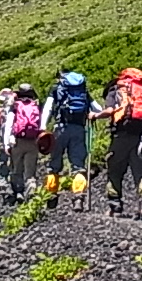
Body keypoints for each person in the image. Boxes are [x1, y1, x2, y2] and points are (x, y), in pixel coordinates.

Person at [99, 67, 142, 217]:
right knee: (141, 172)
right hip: (140, 136)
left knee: (115, 172)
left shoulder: (116, 90)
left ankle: (115, 206)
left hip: (120, 137)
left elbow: (110, 111)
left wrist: (94, 116)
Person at [42, 70, 97, 210]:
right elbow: (98, 108)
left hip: (60, 128)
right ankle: (78, 198)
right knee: (78, 166)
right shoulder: (81, 89)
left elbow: (48, 108)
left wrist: (42, 126)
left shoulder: (57, 88)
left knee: (54, 164)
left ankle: (51, 197)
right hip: (79, 129)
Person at [2, 83, 46, 204]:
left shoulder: (15, 106)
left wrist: (6, 144)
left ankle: (19, 192)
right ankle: (32, 191)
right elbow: (41, 124)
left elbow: (9, 125)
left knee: (17, 168)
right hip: (33, 141)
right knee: (30, 170)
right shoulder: (35, 106)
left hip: (17, 141)